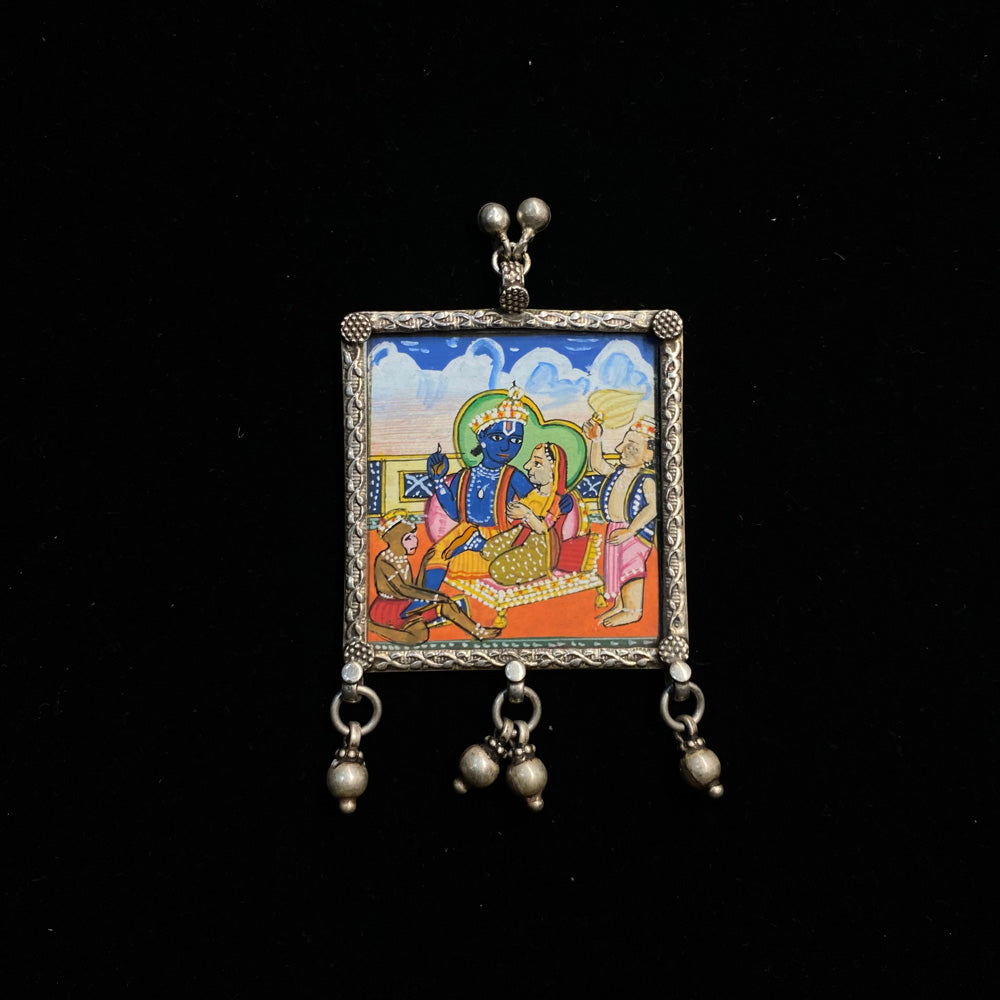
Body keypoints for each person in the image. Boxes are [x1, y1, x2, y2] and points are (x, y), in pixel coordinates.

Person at [369, 511, 500, 643]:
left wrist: (424, 565)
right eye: (408, 538)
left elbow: (415, 587)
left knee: (446, 606)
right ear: (395, 540)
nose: (415, 540)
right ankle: (373, 627)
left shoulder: (401, 559)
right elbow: (403, 589)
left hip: (407, 604)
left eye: (413, 535)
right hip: (390, 610)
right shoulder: (383, 561)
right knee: (420, 636)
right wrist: (435, 597)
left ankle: (478, 632)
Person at [582, 414, 657, 627]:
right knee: (616, 569)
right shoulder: (619, 472)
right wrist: (596, 439)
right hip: (615, 529)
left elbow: (653, 507)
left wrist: (631, 530)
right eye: (624, 443)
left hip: (634, 534)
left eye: (631, 446)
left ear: (648, 454)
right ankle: (620, 605)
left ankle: (633, 610)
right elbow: (598, 465)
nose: (619, 449)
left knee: (630, 569)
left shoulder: (647, 479)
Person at [480, 442, 580, 586]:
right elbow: (517, 517)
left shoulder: (560, 500)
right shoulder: (533, 494)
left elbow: (543, 528)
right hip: (521, 535)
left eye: (537, 464)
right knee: (488, 550)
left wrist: (526, 514)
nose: (527, 466)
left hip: (543, 550)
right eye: (530, 461)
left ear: (554, 469)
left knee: (498, 570)